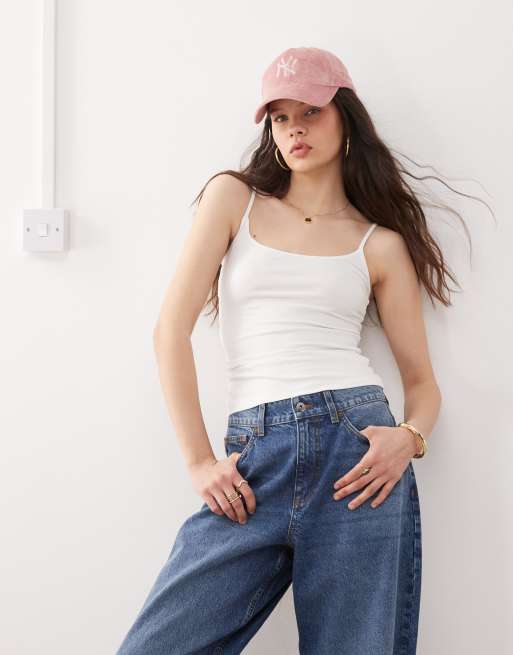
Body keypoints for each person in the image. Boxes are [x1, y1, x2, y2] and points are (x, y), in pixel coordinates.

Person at [116, 46, 451, 654]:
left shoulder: (378, 243)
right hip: (254, 458)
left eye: (311, 112)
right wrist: (199, 461)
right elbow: (170, 331)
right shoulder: (233, 198)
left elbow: (422, 383)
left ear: (346, 118)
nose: (295, 128)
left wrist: (409, 437)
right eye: (280, 117)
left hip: (356, 454)